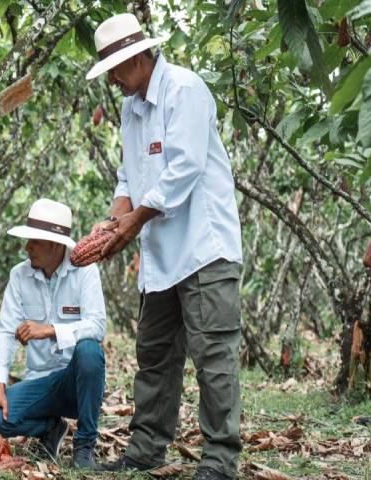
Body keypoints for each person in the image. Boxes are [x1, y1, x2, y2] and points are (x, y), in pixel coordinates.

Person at [83, 13, 244, 480]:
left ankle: (218, 460)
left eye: (114, 69)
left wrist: (132, 224)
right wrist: (113, 223)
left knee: (213, 357)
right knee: (153, 354)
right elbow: (128, 177)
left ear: (136, 57)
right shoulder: (131, 108)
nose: (111, 80)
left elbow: (184, 169)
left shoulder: (185, 90)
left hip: (203, 249)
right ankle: (145, 449)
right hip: (160, 257)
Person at [0, 199, 107, 469]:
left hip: (76, 383)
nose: (27, 248)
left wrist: (50, 330)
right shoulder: (19, 275)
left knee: (89, 349)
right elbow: (4, 332)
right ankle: (50, 428)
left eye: (34, 241)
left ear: (56, 244)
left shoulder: (85, 271)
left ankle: (84, 447)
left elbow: (97, 326)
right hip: (40, 382)